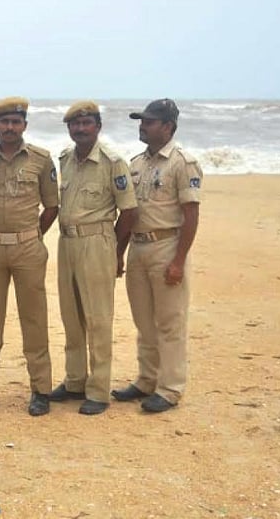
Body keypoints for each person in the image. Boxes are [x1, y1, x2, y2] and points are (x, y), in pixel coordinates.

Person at [0, 97, 59, 417]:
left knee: (34, 319)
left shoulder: (42, 160)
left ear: (25, 126)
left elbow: (52, 207)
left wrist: (30, 236)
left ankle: (41, 390)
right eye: (4, 122)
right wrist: (0, 236)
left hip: (28, 249)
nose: (9, 127)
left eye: (15, 122)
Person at [112, 98, 202, 413]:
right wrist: (119, 252)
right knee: (144, 322)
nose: (142, 125)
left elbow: (191, 215)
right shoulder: (136, 163)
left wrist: (178, 261)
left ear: (167, 126)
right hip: (138, 248)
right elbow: (129, 213)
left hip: (167, 246)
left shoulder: (182, 162)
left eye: (149, 121)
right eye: (141, 120)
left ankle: (170, 388)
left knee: (170, 323)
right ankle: (146, 380)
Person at [49, 101, 137, 415]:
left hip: (97, 242)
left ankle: (98, 391)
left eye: (86, 123)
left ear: (98, 127)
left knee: (98, 319)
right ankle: (75, 381)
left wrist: (116, 252)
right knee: (71, 317)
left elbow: (128, 211)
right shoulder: (65, 160)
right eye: (75, 124)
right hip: (67, 242)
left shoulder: (113, 162)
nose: (80, 129)